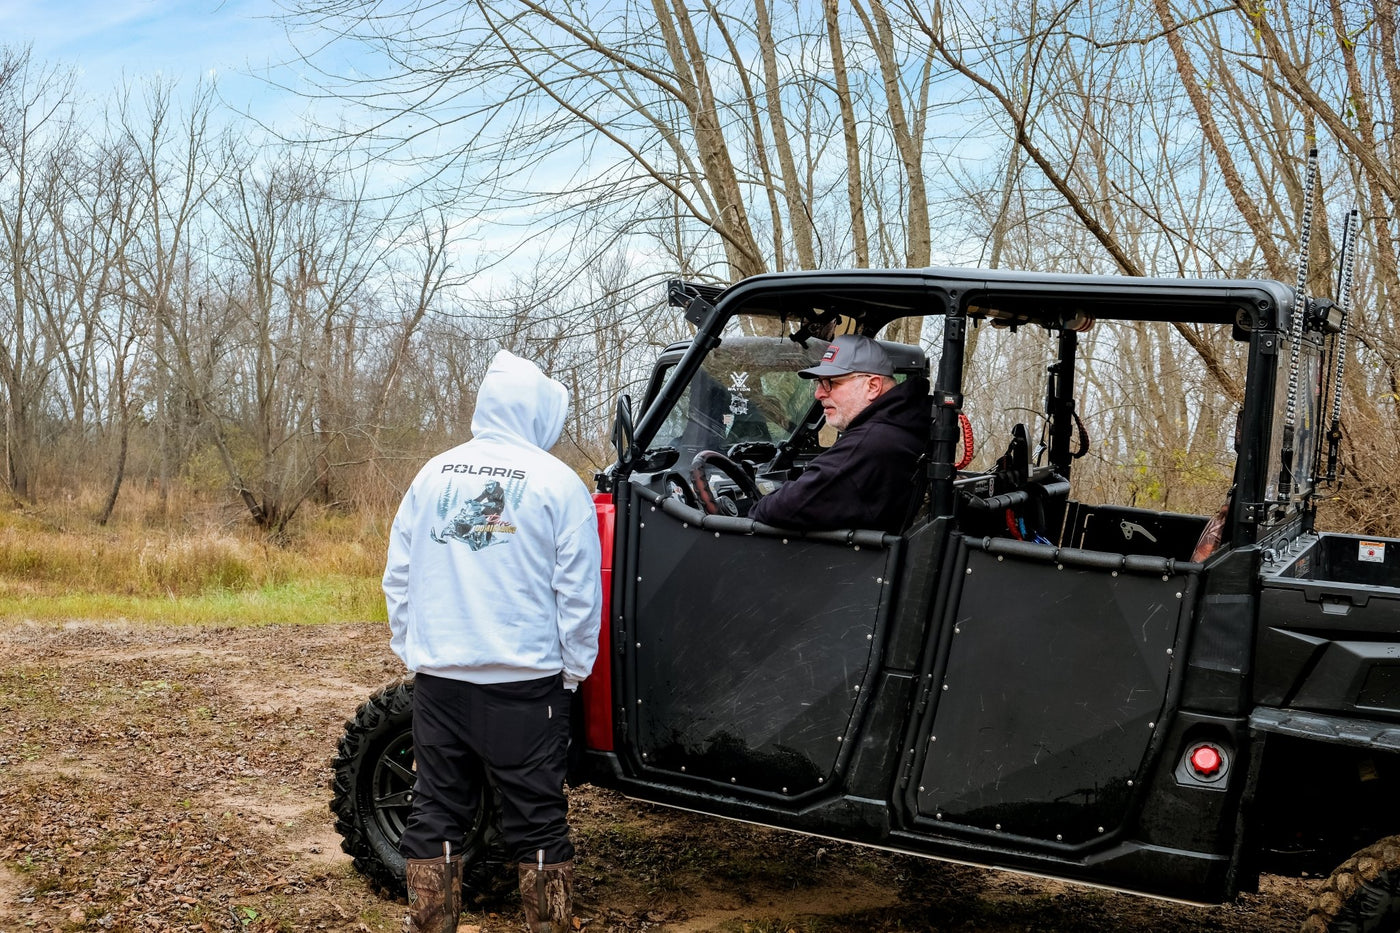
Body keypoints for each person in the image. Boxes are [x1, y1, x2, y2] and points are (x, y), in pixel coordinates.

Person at [382, 349, 602, 933]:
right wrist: (573, 671)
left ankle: (432, 925)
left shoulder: (432, 475)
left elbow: (398, 575)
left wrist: (415, 650)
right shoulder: (558, 483)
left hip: (441, 681)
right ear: (534, 411)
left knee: (436, 812)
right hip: (526, 686)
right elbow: (579, 595)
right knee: (536, 820)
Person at [748, 334, 928, 534]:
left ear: (873, 386)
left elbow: (786, 507)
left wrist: (753, 508)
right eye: (818, 383)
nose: (819, 394)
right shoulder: (901, 428)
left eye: (830, 383)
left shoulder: (871, 443)